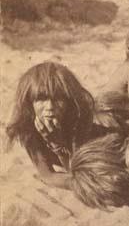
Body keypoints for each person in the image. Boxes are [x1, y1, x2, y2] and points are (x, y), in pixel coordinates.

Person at [6, 61, 100, 190]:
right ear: (29, 102)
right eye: (41, 99)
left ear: (69, 100)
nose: (50, 107)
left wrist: (57, 144)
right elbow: (48, 176)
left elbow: (79, 172)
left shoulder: (78, 117)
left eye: (58, 99)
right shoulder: (26, 125)